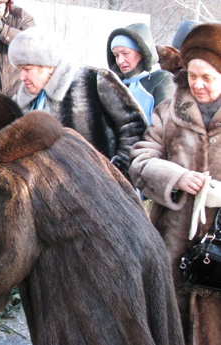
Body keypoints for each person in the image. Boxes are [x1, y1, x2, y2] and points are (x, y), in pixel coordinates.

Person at [0, 91, 184, 345]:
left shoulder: (6, 174)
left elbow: (7, 258)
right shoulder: (67, 138)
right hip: (143, 251)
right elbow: (124, 189)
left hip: (97, 281)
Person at [0, 27, 147, 179]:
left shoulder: (93, 80)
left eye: (27, 69)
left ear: (48, 65)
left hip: (105, 199)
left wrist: (115, 175)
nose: (22, 76)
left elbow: (134, 126)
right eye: (19, 69)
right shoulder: (26, 98)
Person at [129, 23, 221, 345]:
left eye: (207, 78)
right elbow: (140, 160)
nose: (198, 85)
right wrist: (175, 177)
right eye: (192, 76)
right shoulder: (170, 111)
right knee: (169, 328)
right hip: (172, 248)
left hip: (218, 252)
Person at [107, 23, 176, 124]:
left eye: (125, 53)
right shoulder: (116, 83)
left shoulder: (162, 80)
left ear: (143, 52)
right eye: (116, 55)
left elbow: (167, 127)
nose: (120, 61)